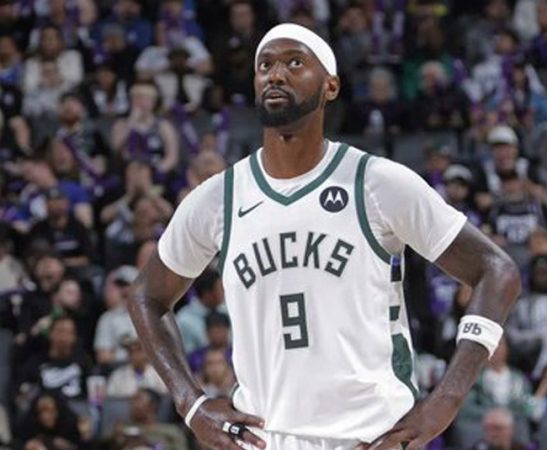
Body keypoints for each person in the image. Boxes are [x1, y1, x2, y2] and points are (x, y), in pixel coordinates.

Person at [128, 23, 520, 450]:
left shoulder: (376, 182)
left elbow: (496, 271)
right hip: (264, 439)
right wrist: (190, 403)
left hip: (371, 438)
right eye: (265, 66)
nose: (276, 74)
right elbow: (146, 296)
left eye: (295, 62)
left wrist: (447, 399)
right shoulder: (218, 197)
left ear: (330, 86)